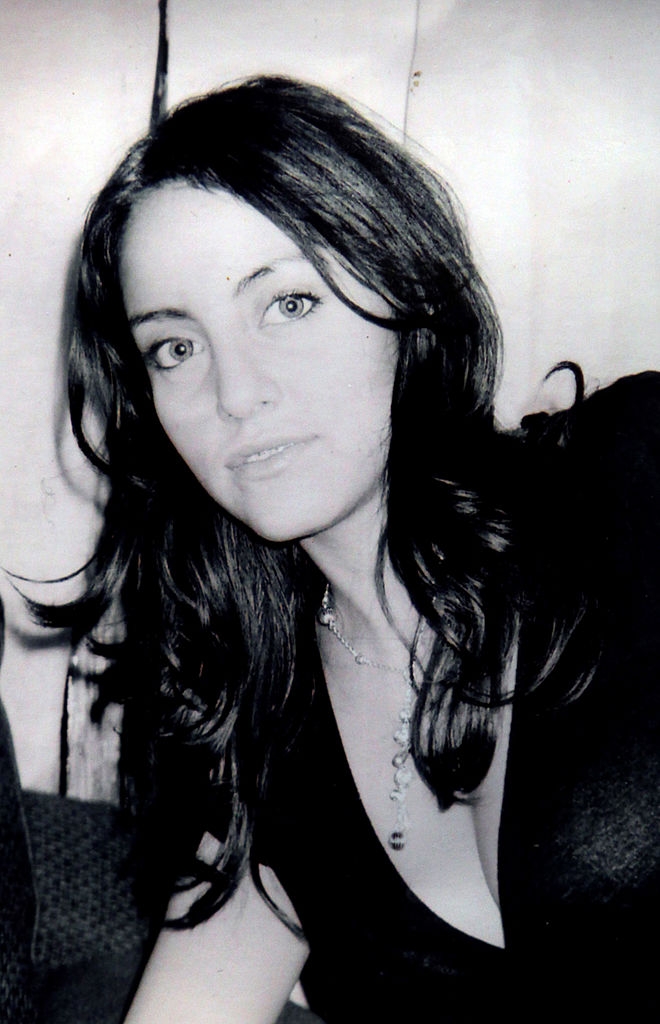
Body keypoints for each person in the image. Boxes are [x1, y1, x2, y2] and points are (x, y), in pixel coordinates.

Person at [50, 76, 659, 1022]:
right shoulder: (258, 749)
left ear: (404, 289)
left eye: (287, 304)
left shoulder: (632, 477)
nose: (235, 392)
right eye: (174, 347)